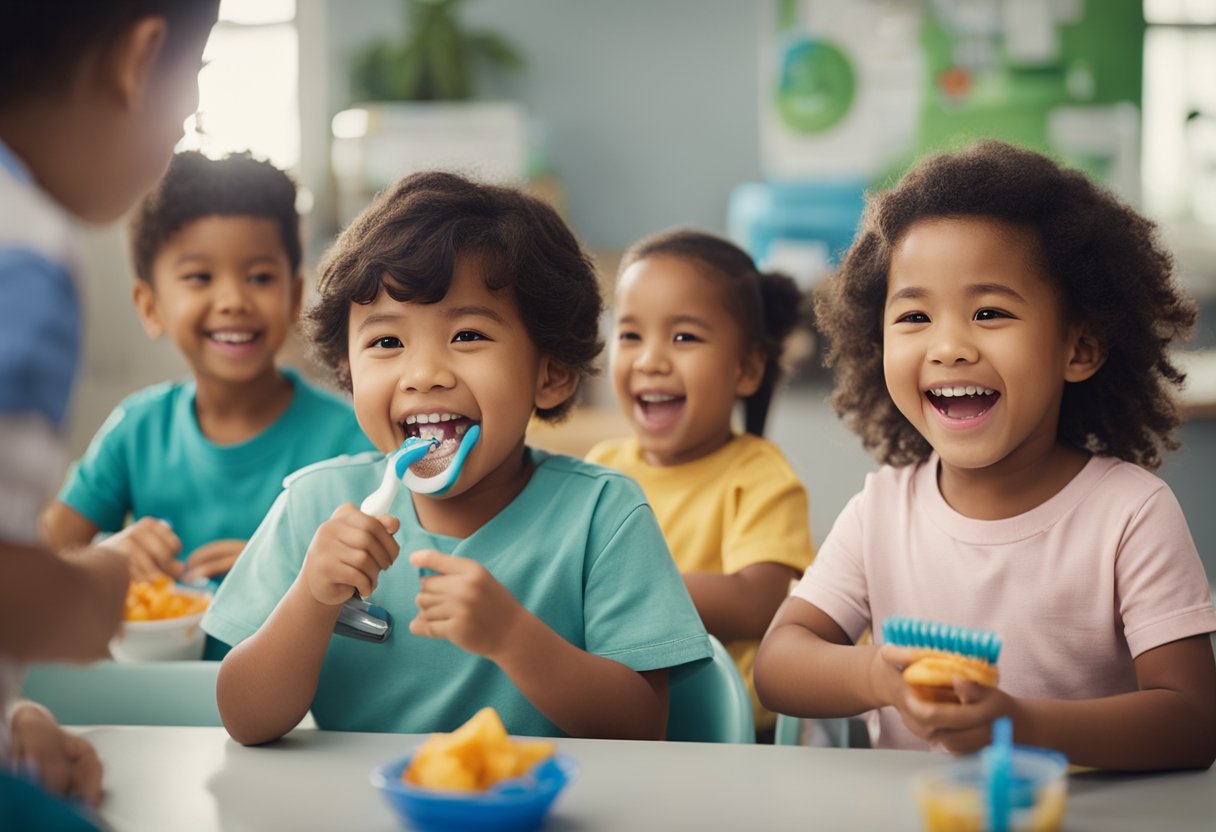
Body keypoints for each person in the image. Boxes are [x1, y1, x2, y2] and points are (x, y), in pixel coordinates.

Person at [202, 171, 712, 744]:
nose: (423, 375)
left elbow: (643, 728)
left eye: (467, 335)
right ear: (348, 370)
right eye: (387, 343)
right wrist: (311, 599)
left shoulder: (603, 517)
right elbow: (245, 719)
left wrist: (513, 638)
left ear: (551, 374)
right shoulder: (313, 507)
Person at [754, 140, 1216, 770]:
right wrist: (880, 677)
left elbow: (1192, 720)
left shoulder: (1130, 514)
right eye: (915, 316)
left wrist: (1020, 722)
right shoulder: (883, 509)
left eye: (989, 311)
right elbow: (778, 665)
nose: (948, 346)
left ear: (1078, 348)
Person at [0, 0, 219, 823]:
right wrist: (95, 593)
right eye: (191, 90)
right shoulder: (23, 250)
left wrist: (17, 728)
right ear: (138, 61)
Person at [40, 151, 373, 605]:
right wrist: (107, 557)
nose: (233, 299)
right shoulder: (137, 429)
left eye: (259, 277)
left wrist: (279, 572)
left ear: (294, 298)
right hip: (157, 677)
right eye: (199, 277)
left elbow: (391, 595)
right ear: (150, 306)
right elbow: (42, 555)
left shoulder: (354, 439)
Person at [586, 229, 814, 742]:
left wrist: (619, 591)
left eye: (683, 337)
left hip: (731, 732)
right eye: (630, 335)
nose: (650, 360)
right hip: (625, 720)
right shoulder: (603, 468)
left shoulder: (759, 474)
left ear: (748, 367)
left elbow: (758, 602)